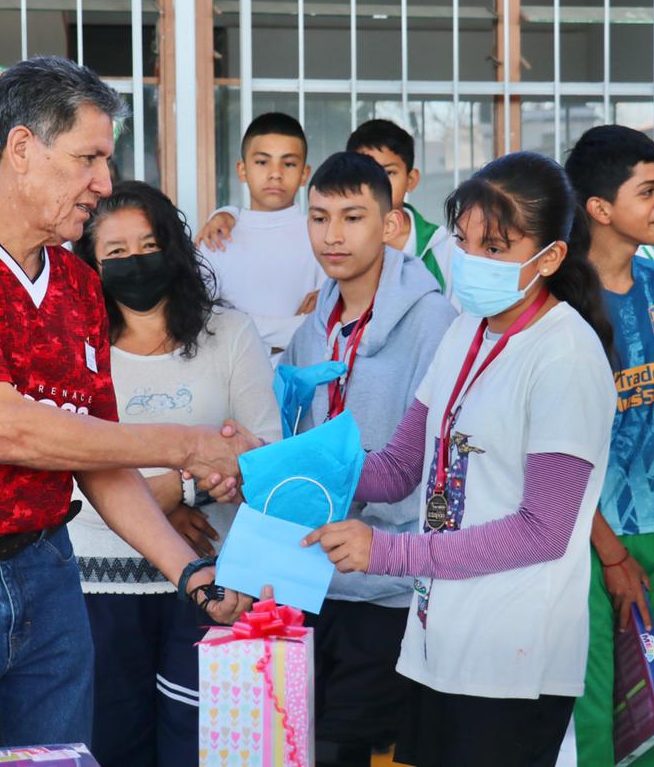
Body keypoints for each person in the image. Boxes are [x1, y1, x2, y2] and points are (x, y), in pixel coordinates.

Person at [0, 56, 262, 758]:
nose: (105, 182)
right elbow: (3, 429)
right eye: (89, 157)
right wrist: (189, 446)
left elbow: (92, 449)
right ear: (24, 147)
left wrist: (187, 569)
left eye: (108, 160)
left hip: (48, 574)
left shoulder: (75, 282)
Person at [302, 152, 618, 767]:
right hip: (436, 639)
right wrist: (276, 468)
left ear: (549, 257)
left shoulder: (566, 357)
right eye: (465, 242)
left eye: (496, 247)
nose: (472, 261)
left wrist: (389, 553)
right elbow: (398, 467)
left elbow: (543, 531)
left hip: (511, 656)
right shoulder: (466, 330)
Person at [68, 181, 282, 767]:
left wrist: (175, 488)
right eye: (115, 252)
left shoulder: (229, 334)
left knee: (202, 748)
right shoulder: (72, 345)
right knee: (111, 747)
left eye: (148, 244)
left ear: (175, 248)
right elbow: (62, 481)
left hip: (213, 585)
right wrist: (181, 485)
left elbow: (264, 456)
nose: (135, 262)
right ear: (89, 264)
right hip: (97, 593)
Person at [280, 152, 456, 767]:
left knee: (346, 747)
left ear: (390, 224)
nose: (333, 235)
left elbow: (435, 458)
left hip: (389, 582)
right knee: (312, 744)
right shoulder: (314, 326)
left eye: (353, 217)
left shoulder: (434, 321)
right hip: (312, 576)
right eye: (320, 217)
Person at [562, 125, 654, 766]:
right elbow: (552, 449)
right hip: (585, 538)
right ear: (599, 209)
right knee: (594, 708)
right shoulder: (560, 299)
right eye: (647, 190)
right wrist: (610, 552)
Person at [197, 119, 451, 296]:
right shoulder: (327, 238)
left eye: (388, 172)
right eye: (262, 162)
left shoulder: (443, 248)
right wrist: (227, 213)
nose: (275, 174)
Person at [195, 112, 325, 357]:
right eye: (262, 162)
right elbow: (201, 320)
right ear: (242, 170)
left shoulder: (321, 234)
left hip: (306, 379)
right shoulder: (217, 237)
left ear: (304, 174)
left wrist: (234, 322)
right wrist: (291, 331)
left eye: (288, 163)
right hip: (232, 383)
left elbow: (328, 325)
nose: (275, 173)